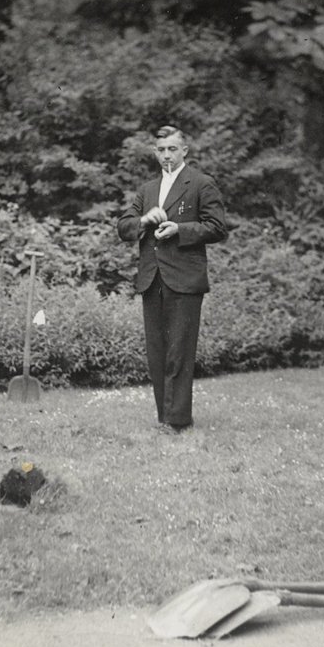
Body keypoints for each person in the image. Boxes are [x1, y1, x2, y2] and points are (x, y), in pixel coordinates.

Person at [117, 126, 228, 432]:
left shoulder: (201, 184)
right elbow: (123, 227)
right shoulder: (147, 190)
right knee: (158, 353)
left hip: (184, 279)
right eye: (161, 149)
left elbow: (218, 227)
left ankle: (177, 421)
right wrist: (143, 220)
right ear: (155, 152)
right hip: (152, 278)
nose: (166, 154)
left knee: (179, 351)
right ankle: (165, 418)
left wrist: (181, 230)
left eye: (172, 149)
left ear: (184, 151)